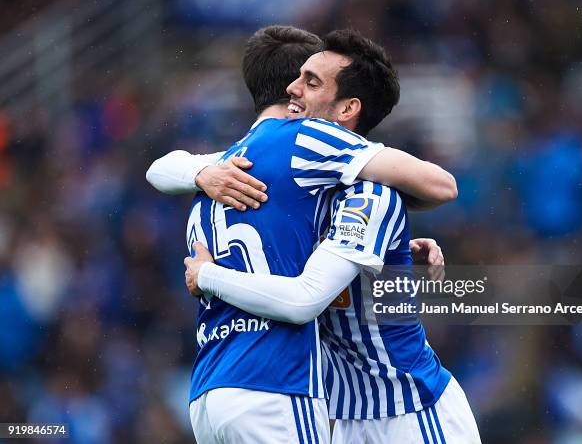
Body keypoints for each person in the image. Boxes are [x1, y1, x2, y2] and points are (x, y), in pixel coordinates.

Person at [147, 26, 457, 444]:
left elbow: (160, 168)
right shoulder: (284, 153)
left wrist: (393, 244)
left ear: (347, 107)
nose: (297, 88)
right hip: (294, 394)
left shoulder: (229, 164)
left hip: (400, 410)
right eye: (299, 77)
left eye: (311, 81)